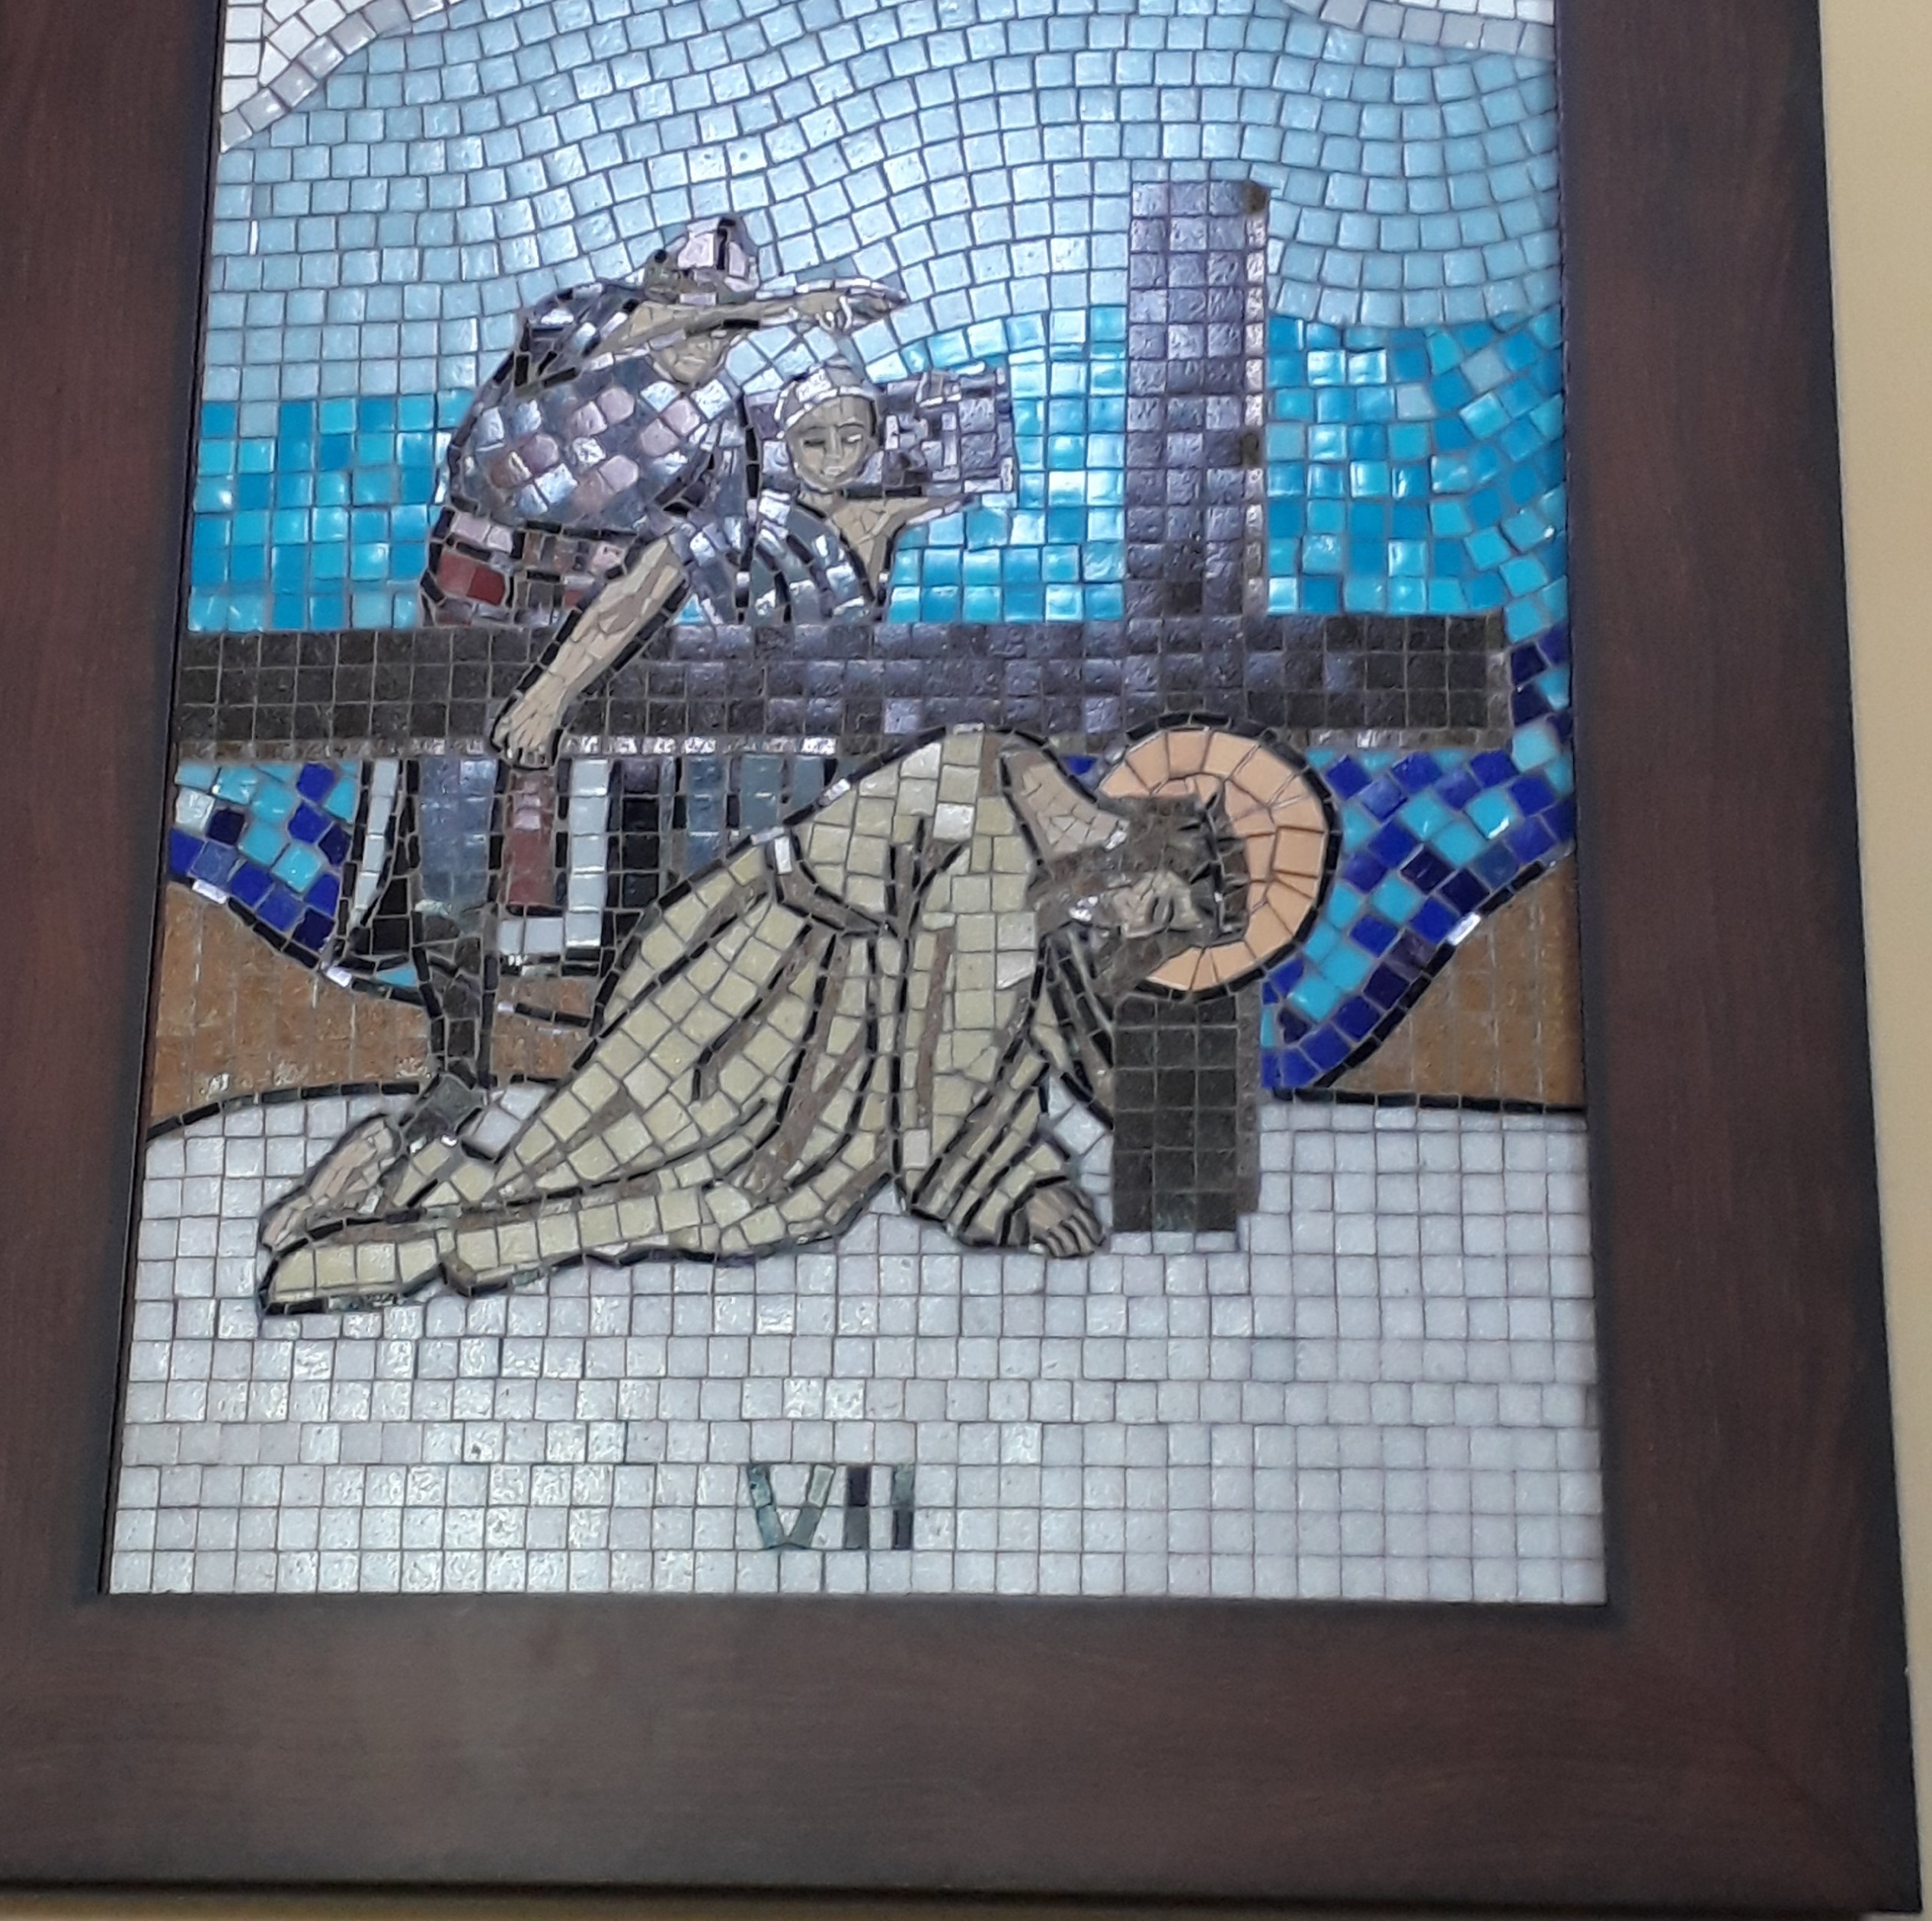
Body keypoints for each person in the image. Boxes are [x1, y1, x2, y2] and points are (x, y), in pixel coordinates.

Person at [258, 725, 1278, 1312]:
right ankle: (374, 1245)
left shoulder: (1029, 794)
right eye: (1162, 910)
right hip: (768, 1005)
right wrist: (1013, 1191)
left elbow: (997, 1013)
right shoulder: (1003, 871)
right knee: (692, 1194)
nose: (1143, 932)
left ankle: (406, 1178)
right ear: (1152, 847)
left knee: (606, 1168)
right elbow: (955, 1060)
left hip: (771, 964)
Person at [331, 216, 900, 1147]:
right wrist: (789, 306)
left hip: (600, 651)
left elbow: (655, 579)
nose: (713, 335)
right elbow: (648, 325)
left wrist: (554, 689)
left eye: (733, 320)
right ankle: (458, 1066)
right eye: (699, 307)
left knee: (627, 848)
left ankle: (619, 1065)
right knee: (450, 849)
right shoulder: (573, 332)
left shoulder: (721, 437)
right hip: (465, 623)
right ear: (654, 291)